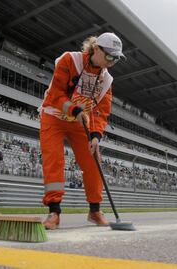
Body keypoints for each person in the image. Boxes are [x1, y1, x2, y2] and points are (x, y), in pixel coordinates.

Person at [39, 32, 126, 229]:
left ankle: (95, 211)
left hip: (80, 122)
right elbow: (55, 95)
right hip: (53, 116)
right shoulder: (70, 60)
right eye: (109, 56)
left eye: (116, 59)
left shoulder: (107, 80)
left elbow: (101, 111)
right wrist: (73, 109)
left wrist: (96, 135)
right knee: (54, 159)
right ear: (96, 49)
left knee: (93, 160)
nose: (112, 62)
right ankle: (54, 211)